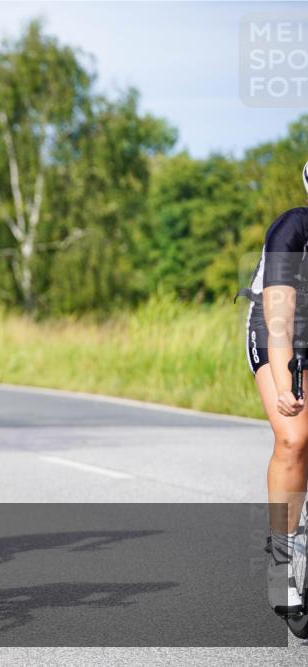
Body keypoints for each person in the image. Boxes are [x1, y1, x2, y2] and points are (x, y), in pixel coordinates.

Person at [244, 159, 308, 616]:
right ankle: (282, 562)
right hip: (278, 326)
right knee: (294, 435)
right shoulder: (293, 228)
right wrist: (286, 382)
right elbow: (280, 323)